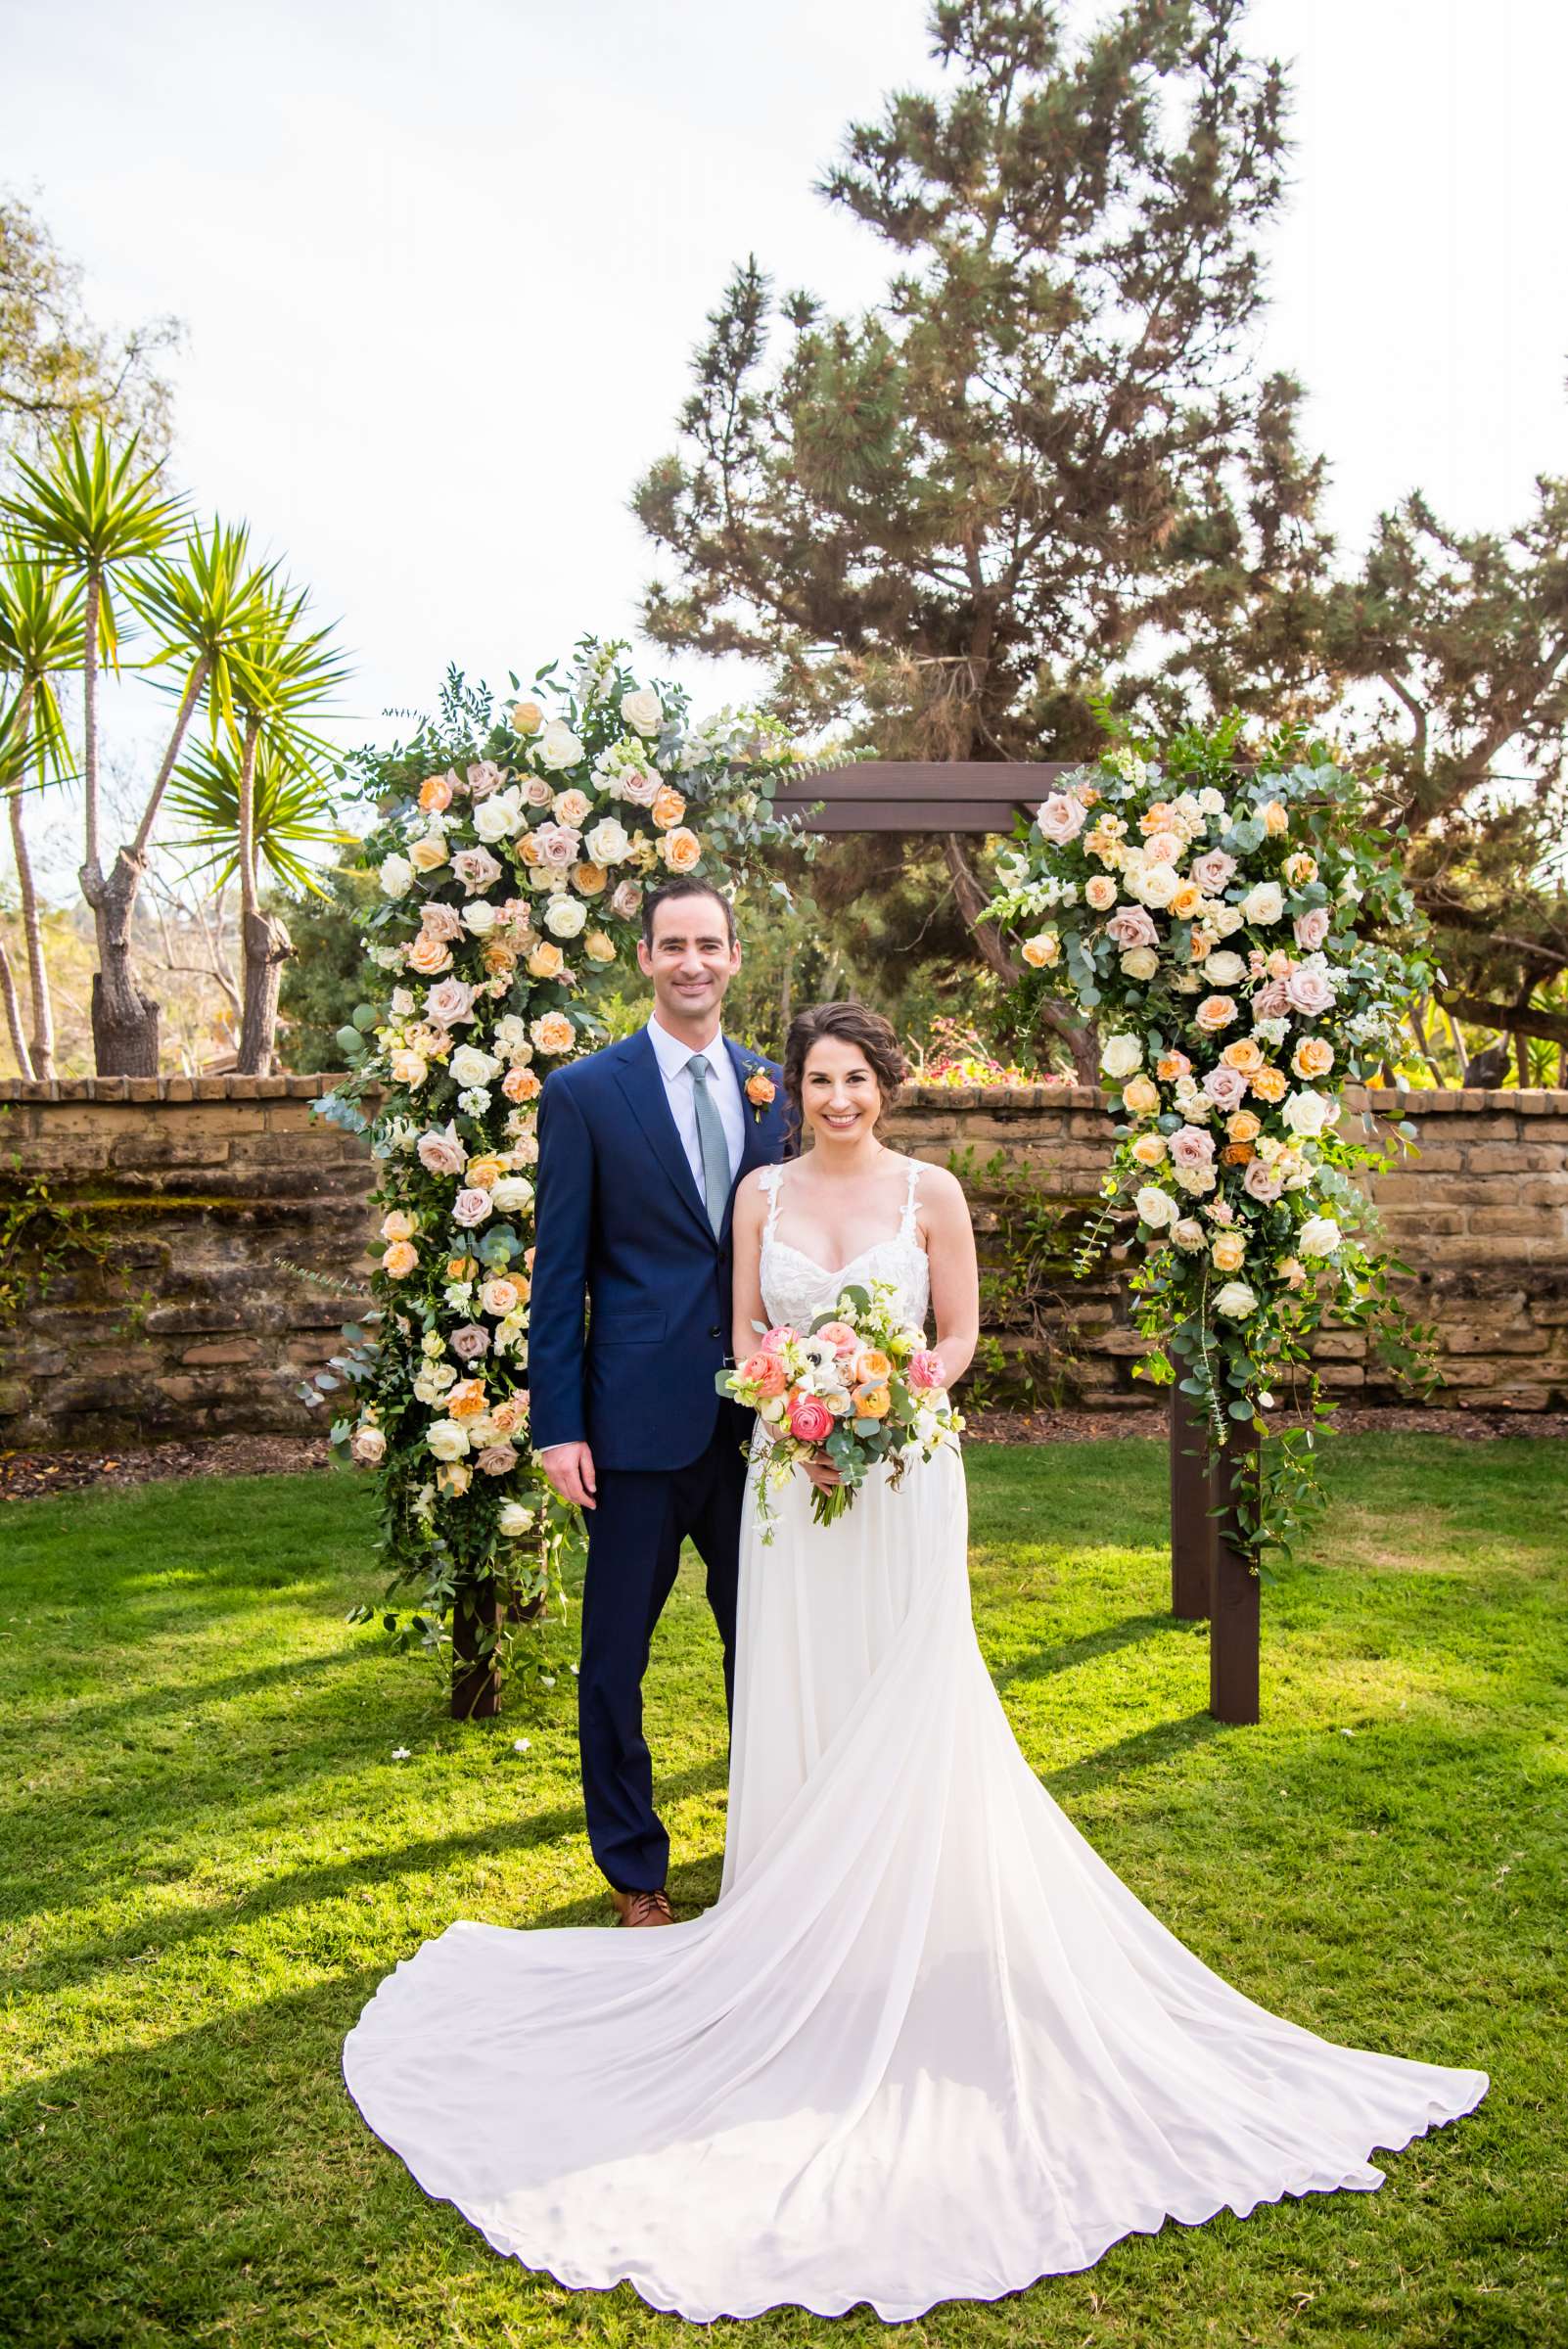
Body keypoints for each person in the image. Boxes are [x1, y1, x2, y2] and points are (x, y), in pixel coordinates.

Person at [343, 1000, 1487, 2326]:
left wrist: (895, 1393)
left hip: (904, 1474)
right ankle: (799, 1912)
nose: (837, 1098)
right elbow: (743, 1346)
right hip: (791, 1471)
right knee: (800, 1682)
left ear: (887, 1086)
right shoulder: (759, 1197)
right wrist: (801, 1400)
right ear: (796, 1094)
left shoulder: (932, 1190)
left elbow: (958, 1337)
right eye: (818, 1080)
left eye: (856, 1080)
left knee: (911, 1686)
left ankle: (918, 1917)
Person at [525, 875, 788, 1925]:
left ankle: (771, 1846)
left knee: (767, 1644)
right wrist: (559, 1426)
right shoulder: (587, 1092)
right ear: (643, 957)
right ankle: (636, 1872)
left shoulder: (774, 1084)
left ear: (733, 957)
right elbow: (560, 1275)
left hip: (763, 1425)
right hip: (631, 1426)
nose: (691, 963)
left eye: (708, 945)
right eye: (671, 945)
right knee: (612, 1665)